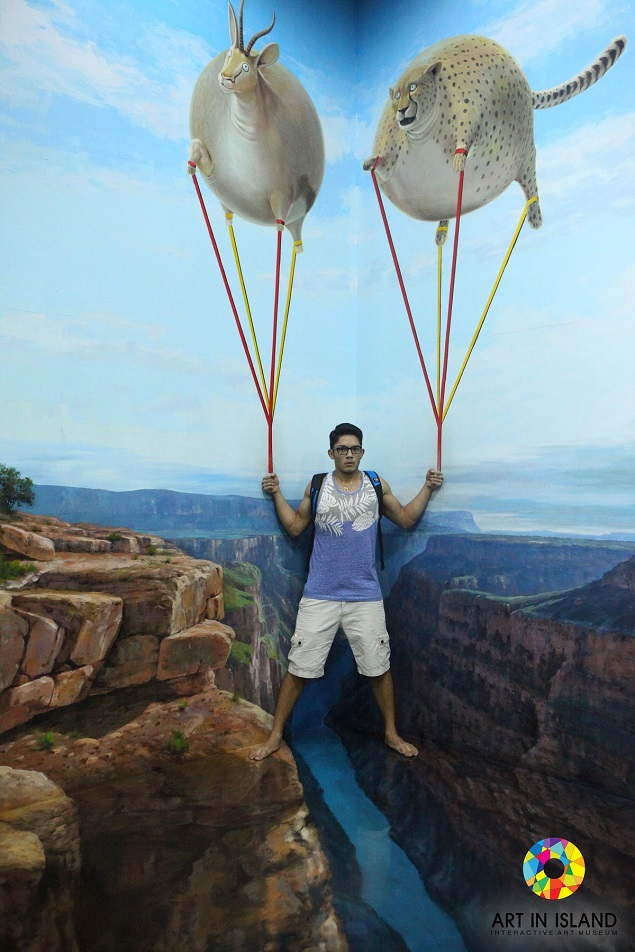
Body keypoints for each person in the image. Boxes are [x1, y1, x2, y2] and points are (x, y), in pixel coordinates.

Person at [249, 423, 443, 761]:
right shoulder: (319, 485)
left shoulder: (375, 484)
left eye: (354, 448)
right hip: (319, 595)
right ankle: (275, 735)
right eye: (342, 449)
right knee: (299, 666)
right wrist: (277, 494)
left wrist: (427, 487)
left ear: (362, 452)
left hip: (365, 596)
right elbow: (296, 526)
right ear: (331, 453)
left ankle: (391, 734)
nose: (349, 454)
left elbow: (407, 519)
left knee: (378, 667)